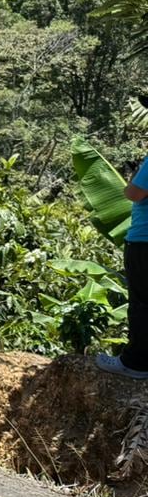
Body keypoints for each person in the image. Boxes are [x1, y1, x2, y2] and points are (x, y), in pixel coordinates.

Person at [98, 160, 148, 379]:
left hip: (144, 242)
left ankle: (135, 363)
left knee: (142, 303)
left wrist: (136, 173)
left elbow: (133, 193)